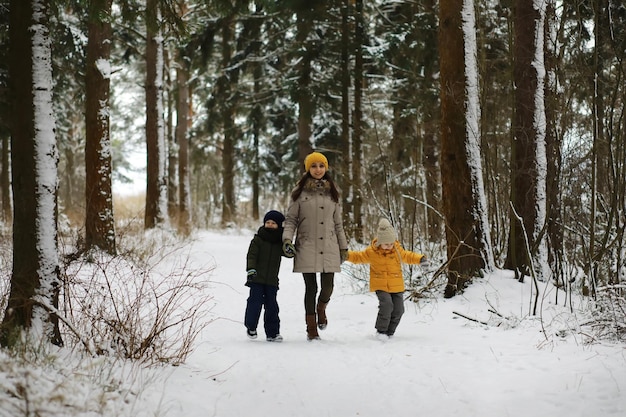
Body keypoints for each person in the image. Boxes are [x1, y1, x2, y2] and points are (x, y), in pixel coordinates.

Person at [282, 151, 348, 341]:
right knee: (310, 288)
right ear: (308, 168)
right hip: (306, 244)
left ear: (325, 168)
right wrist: (287, 240)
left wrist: (343, 247)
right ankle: (311, 328)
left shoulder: (333, 192)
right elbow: (291, 220)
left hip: (329, 244)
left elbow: (338, 224)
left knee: (328, 287)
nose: (318, 169)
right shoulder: (299, 193)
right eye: (313, 166)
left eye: (321, 165)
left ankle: (321, 308)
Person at [346, 218, 428, 340]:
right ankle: (381, 332)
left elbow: (408, 256)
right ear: (379, 242)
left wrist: (420, 259)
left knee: (399, 310)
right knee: (387, 306)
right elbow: (358, 257)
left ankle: (390, 332)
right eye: (386, 244)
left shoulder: (397, 251)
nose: (389, 246)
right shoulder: (372, 252)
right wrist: (345, 255)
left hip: (396, 285)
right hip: (380, 285)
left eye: (391, 244)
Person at [244, 210, 293, 342]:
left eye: (273, 223)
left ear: (279, 226)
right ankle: (251, 326)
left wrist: (290, 249)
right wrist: (251, 270)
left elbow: (289, 254)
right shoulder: (258, 239)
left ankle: (272, 333)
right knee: (255, 302)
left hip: (271, 280)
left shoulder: (280, 242)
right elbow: (251, 256)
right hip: (256, 278)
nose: (270, 225)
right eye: (268, 222)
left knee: (272, 306)